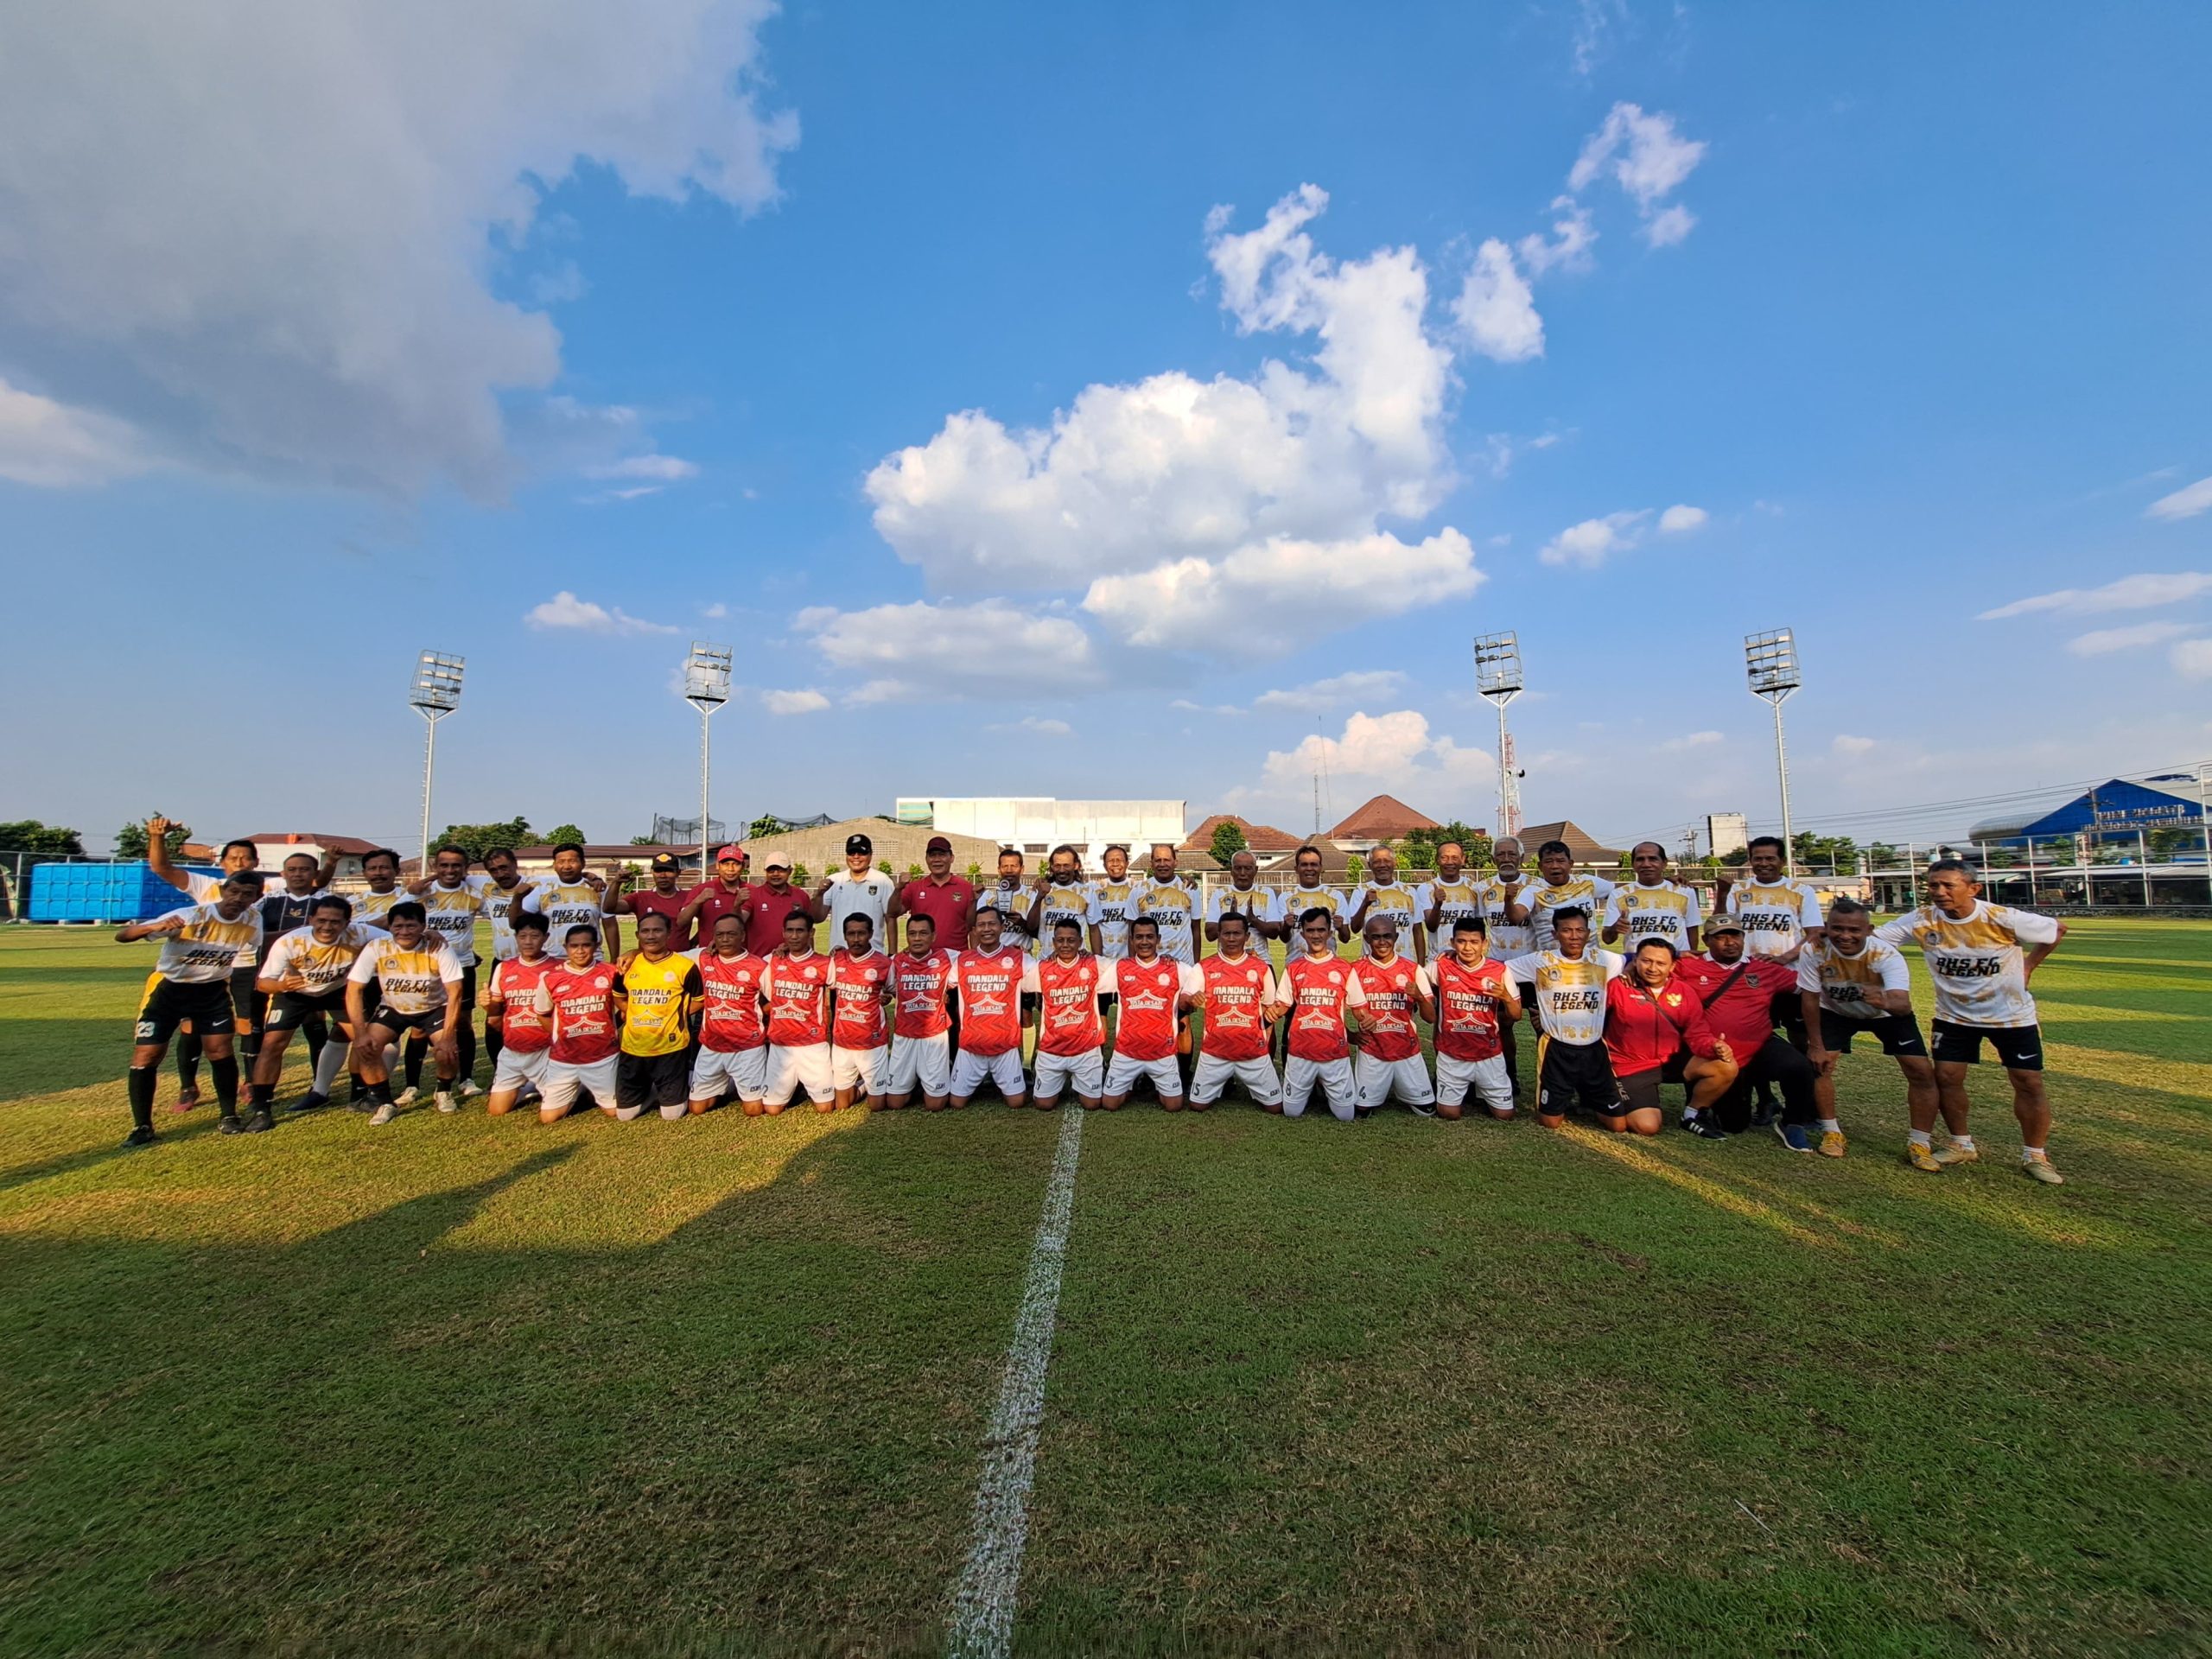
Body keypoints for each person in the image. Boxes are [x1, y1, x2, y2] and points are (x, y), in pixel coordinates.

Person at [1873, 861, 2067, 1183]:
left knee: (2028, 1082)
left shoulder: (2000, 917)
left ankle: (2035, 1155)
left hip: (2011, 1017)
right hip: (1954, 1016)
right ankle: (1961, 1144)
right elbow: (1875, 940)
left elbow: (2056, 930)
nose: (1939, 892)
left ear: (1973, 888)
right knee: (1947, 1079)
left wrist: (2029, 965)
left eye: (1948, 885)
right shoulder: (1922, 919)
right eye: (1933, 885)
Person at [116, 871, 265, 1145]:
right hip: (170, 990)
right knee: (147, 1055)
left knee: (220, 1050)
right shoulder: (190, 916)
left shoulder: (253, 919)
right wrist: (154, 927)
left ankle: (229, 1116)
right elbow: (122, 936)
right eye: (234, 891)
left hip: (212, 993)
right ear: (223, 891)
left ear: (257, 897)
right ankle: (142, 1127)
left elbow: (257, 947)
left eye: (247, 894)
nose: (238, 898)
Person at [145, 823, 277, 1109]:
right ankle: (188, 1086)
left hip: (244, 965)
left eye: (246, 858)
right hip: (203, 969)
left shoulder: (269, 888)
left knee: (249, 1023)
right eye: (233, 858)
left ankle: (250, 1082)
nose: (239, 863)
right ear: (222, 863)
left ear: (256, 862)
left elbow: (310, 884)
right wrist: (157, 837)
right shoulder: (206, 885)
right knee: (191, 1025)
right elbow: (162, 868)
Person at [1799, 897, 1931, 1160]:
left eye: (1854, 930)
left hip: (1885, 1014)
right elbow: (1810, 998)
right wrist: (1815, 1045)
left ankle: (1920, 1143)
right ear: (1827, 927)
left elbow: (1902, 1005)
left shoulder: (1885, 954)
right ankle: (1831, 1132)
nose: (1845, 936)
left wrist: (1884, 1001)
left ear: (1869, 931)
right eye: (1837, 928)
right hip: (1836, 1011)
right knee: (1820, 1066)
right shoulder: (1814, 949)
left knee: (1921, 1072)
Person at [1672, 918, 1814, 1141]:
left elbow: (1810, 986)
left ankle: (1792, 1123)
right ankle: (1733, 1098)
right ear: (1706, 940)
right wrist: (1674, 954)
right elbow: (1647, 967)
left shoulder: (1764, 969)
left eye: (1735, 935)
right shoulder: (1686, 966)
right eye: (1720, 937)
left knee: (1798, 1066)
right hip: (1713, 1053)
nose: (1730, 942)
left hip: (1758, 1044)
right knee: (1734, 1124)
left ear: (1743, 937)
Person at [1719, 834, 1826, 1118]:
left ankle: (1804, 1104)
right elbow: (1722, 926)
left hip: (1792, 978)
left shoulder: (1800, 890)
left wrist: (1785, 957)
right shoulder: (1739, 890)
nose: (1764, 863)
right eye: (1758, 858)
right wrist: (1721, 893)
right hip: (1749, 979)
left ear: (1782, 861)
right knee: (1752, 1041)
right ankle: (1766, 1099)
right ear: (1750, 860)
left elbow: (1815, 933)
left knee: (1800, 1042)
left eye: (1770, 858)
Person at [250, 894, 381, 1123]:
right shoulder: (290, 942)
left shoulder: (361, 933)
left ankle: (361, 1095)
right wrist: (281, 985)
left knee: (364, 1041)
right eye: (321, 920)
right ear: (310, 919)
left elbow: (399, 938)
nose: (327, 927)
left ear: (347, 923)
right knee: (272, 1045)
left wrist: (429, 935)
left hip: (337, 992)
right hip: (294, 994)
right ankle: (261, 1109)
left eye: (335, 922)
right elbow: (262, 983)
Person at [344, 900, 464, 1124]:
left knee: (446, 1052)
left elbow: (455, 992)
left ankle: (443, 1090)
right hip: (394, 1008)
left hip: (434, 1008)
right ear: (389, 927)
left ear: (423, 926)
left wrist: (448, 1037)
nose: (404, 932)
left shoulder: (438, 947)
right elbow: (353, 990)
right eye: (398, 926)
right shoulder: (377, 947)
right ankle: (384, 1102)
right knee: (367, 1047)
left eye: (411, 926)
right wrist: (360, 1033)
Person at [1603, 940, 1737, 1137]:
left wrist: (1714, 1046)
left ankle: (1692, 1114)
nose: (1653, 968)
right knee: (1647, 1126)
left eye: (1661, 963)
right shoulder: (1618, 986)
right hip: (1631, 1065)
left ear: (1672, 966)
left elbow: (1697, 1033)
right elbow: (1594, 1022)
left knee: (1726, 1066)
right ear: (1635, 961)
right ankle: (1601, 1097)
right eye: (1646, 961)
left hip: (1671, 1060)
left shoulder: (1684, 991)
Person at [1507, 907, 1624, 1129]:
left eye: (1580, 930)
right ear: (1555, 934)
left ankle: (1588, 1096)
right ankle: (1564, 1096)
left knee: (1617, 1125)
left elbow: (1636, 960)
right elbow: (1500, 970)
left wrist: (1680, 955)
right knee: (1550, 1122)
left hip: (1594, 1048)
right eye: (1567, 930)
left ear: (1588, 933)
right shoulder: (1541, 961)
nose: (1574, 936)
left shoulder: (1603, 960)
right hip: (1556, 1048)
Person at [411, 843, 490, 1098]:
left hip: (462, 966)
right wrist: (426, 932)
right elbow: (397, 922)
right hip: (424, 968)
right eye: (444, 865)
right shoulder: (420, 893)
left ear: (465, 868)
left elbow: (499, 917)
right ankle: (412, 1085)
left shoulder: (474, 894)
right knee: (419, 1025)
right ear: (435, 867)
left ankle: (466, 1079)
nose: (450, 870)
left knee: (463, 1022)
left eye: (456, 865)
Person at [1101, 917, 1201, 1110]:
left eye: (1149, 937)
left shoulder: (1175, 967)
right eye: (1139, 937)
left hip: (1162, 1053)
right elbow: (1093, 979)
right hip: (1126, 1052)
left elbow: (1203, 975)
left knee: (1174, 1106)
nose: (1144, 942)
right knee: (1110, 1104)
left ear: (1158, 939)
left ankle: (1157, 1084)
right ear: (1131, 940)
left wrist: (1245, 958)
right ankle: (1130, 1085)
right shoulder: (1120, 967)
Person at [1187, 912, 1285, 1110]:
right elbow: (1185, 999)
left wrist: (1263, 1039)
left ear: (1247, 936)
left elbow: (1269, 1009)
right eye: (1226, 934)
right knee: (1197, 1106)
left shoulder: (1261, 968)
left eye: (1237, 933)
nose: (1231, 938)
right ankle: (1219, 1083)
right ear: (1219, 935)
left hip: (1253, 1053)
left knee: (1275, 1108)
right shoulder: (1204, 967)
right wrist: (1190, 999)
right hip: (1214, 1053)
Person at [1276, 906, 1365, 1122]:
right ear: (1302, 934)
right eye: (1310, 930)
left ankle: (1323, 1084)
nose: (1316, 935)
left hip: (1334, 1053)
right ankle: (1311, 1084)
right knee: (1291, 1112)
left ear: (1330, 933)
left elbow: (1358, 1007)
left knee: (1345, 1115)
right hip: (1300, 1052)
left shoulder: (1344, 969)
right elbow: (1281, 1006)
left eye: (1321, 930)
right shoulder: (1293, 968)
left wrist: (1366, 1019)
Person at [612, 912, 702, 1122]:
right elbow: (619, 997)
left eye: (657, 930)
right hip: (633, 1048)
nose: (651, 936)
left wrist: (674, 1014)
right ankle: (651, 1090)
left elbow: (700, 1000)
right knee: (625, 1116)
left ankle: (674, 1086)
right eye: (645, 931)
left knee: (672, 1115)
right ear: (637, 935)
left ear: (669, 933)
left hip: (671, 1049)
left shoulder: (684, 966)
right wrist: (634, 1012)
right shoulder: (626, 966)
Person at [1430, 916, 1522, 1121]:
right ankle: (1461, 1088)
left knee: (1505, 1115)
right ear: (1452, 942)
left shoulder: (1500, 970)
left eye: (1474, 942)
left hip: (1488, 1053)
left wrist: (1506, 997)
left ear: (1484, 943)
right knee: (1449, 1114)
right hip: (1452, 1053)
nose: (1467, 948)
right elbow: (1415, 978)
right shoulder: (1441, 966)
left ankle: (1481, 1089)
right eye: (1461, 941)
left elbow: (1517, 1015)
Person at [1349, 912, 1435, 1113]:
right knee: (1362, 1111)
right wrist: (1352, 1035)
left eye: (1387, 936)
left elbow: (1430, 1018)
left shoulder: (1413, 969)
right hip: (1372, 1049)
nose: (1382, 942)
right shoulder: (1355, 970)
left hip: (1407, 1049)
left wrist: (1420, 997)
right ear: (1367, 939)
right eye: (1376, 937)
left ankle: (1407, 1087)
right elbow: (1333, 1009)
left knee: (1427, 1110)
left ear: (1396, 937)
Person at [686, 912, 772, 1116]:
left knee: (754, 1110)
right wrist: (633, 953)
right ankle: (726, 1080)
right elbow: (669, 957)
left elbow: (777, 1000)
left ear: (743, 936)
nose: (725, 939)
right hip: (712, 1045)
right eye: (720, 934)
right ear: (713, 937)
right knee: (697, 1109)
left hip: (747, 1048)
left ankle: (740, 1077)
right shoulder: (703, 957)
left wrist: (758, 1013)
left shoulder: (758, 966)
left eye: (731, 934)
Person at [536, 925, 623, 1124]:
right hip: (564, 1059)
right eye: (574, 946)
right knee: (549, 1118)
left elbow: (624, 1009)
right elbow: (542, 1014)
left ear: (596, 946)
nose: (580, 951)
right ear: (565, 947)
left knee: (615, 1112)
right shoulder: (550, 978)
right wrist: (562, 1036)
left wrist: (610, 1030)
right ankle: (580, 1088)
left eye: (586, 945)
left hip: (602, 1056)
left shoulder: (610, 972)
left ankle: (590, 1088)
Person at [1023, 918, 1109, 1109]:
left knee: (1092, 1104)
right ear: (1053, 942)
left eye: (1071, 940)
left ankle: (1082, 1078)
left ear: (1080, 942)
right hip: (1052, 1050)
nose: (1065, 945)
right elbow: (1017, 981)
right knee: (1044, 1104)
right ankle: (1059, 1079)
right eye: (1060, 940)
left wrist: (1162, 961)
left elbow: (1125, 968)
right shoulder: (1042, 968)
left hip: (1086, 1049)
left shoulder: (1094, 964)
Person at [950, 906, 1029, 1108]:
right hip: (971, 1046)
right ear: (974, 930)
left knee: (1017, 1102)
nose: (987, 929)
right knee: (956, 1103)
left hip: (1005, 1045)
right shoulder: (962, 960)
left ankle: (1000, 1075)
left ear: (1002, 927)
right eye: (981, 925)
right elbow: (939, 981)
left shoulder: (1019, 958)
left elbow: (1047, 972)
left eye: (992, 924)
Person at [483, 912, 558, 1117]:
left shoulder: (557, 968)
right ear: (516, 937)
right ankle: (530, 1085)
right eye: (522, 936)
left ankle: (574, 1083)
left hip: (546, 1051)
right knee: (497, 1111)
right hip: (513, 1050)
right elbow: (496, 1013)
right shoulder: (504, 968)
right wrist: (487, 1004)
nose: (528, 942)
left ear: (546, 937)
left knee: (553, 1113)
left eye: (534, 936)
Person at [763, 908, 836, 1114]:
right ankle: (795, 1086)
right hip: (781, 1045)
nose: (794, 936)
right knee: (772, 1110)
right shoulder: (772, 960)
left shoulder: (824, 963)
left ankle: (859, 1084)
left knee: (825, 1108)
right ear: (783, 933)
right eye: (790, 931)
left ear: (811, 933)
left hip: (812, 1044)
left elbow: (845, 984)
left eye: (800, 931)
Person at [886, 912, 957, 1110]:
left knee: (935, 1105)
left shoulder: (949, 957)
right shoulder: (896, 961)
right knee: (895, 1103)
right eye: (912, 933)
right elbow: (889, 988)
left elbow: (975, 960)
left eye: (923, 933)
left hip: (935, 1035)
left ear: (933, 936)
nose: (917, 938)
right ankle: (912, 1079)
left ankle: (938, 1072)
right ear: (907, 936)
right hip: (904, 1035)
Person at [829, 912, 893, 1110]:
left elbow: (895, 991)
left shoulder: (884, 963)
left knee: (877, 1106)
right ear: (844, 935)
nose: (856, 939)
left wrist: (886, 996)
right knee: (842, 1105)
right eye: (851, 934)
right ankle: (863, 1083)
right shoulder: (836, 960)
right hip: (842, 1042)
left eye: (861, 933)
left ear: (871, 934)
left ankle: (871, 1082)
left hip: (872, 1042)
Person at [520, 843, 620, 961]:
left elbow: (610, 925)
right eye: (561, 862)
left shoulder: (598, 888)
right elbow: (522, 921)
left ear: (583, 863)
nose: (567, 866)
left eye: (572, 861)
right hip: (552, 960)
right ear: (554, 865)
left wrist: (614, 959)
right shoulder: (543, 888)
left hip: (590, 959)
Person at [1603, 842, 1703, 953]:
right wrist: (1614, 928)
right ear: (1633, 864)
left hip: (1677, 960)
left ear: (1664, 863)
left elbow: (1692, 928)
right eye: (1640, 859)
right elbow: (1607, 940)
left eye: (1653, 859)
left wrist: (1692, 959)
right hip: (1638, 961)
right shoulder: (1619, 895)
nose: (1646, 864)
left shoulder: (1685, 892)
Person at [1523, 840, 1616, 955]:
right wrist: (1509, 900)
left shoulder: (1587, 882)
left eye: (1560, 861)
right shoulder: (1533, 890)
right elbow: (1516, 916)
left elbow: (1620, 896)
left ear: (1570, 864)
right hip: (1551, 960)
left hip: (1590, 959)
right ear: (1540, 866)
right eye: (1549, 861)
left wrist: (1612, 921)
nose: (1555, 866)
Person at [890, 836, 976, 955]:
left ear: (952, 858)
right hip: (923, 958)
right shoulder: (914, 888)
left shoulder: (966, 888)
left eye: (942, 855)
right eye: (932, 855)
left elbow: (972, 927)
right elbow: (893, 913)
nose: (937, 860)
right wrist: (898, 889)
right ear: (926, 859)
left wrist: (974, 956)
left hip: (955, 957)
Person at [819, 833, 897, 953]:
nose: (856, 857)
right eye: (851, 853)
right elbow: (818, 917)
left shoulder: (882, 881)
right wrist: (819, 895)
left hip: (872, 956)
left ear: (870, 854)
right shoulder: (834, 880)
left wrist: (892, 953)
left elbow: (890, 919)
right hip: (839, 954)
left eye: (861, 853)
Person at [1348, 846, 1425, 963]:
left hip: (1405, 963)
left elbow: (1417, 929)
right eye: (1377, 862)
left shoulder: (1409, 891)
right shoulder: (1361, 891)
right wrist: (1365, 904)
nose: (1382, 865)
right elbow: (1355, 928)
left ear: (1394, 863)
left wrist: (1421, 964)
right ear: (1370, 865)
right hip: (1373, 964)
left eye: (1387, 861)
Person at [607, 852, 696, 948]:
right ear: (652, 872)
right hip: (647, 957)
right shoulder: (640, 898)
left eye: (669, 870)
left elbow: (707, 923)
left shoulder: (689, 898)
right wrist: (616, 883)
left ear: (678, 872)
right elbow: (610, 908)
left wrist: (692, 943)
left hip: (681, 956)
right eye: (658, 870)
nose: (663, 875)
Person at [1132, 843, 1201, 963]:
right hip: (1150, 965)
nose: (1162, 864)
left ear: (1175, 862)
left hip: (1183, 964)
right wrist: (1133, 965)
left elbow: (1196, 930)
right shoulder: (1139, 890)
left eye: (1167, 860)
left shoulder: (1189, 888)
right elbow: (1131, 933)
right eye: (1158, 860)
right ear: (1151, 864)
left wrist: (1196, 965)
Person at [1028, 844, 1101, 957]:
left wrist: (1098, 960)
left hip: (1077, 959)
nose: (1062, 870)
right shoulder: (1041, 889)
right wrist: (1039, 898)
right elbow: (1031, 927)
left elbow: (1094, 929)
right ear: (1052, 866)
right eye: (1057, 865)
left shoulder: (1087, 892)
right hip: (1047, 959)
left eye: (1066, 865)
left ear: (1076, 865)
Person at [1420, 842, 1485, 963]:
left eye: (1455, 858)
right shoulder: (1426, 888)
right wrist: (1437, 905)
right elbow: (1431, 927)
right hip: (1438, 959)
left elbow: (1479, 927)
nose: (1450, 862)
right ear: (1437, 860)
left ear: (1463, 860)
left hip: (1467, 958)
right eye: (1444, 857)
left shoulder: (1474, 888)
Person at [1206, 851, 1279, 959]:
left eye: (1248, 868)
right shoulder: (1220, 894)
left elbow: (1274, 932)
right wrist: (1229, 920)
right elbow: (1210, 935)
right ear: (1231, 871)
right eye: (1238, 868)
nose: (1242, 873)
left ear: (1256, 870)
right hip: (1228, 961)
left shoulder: (1266, 893)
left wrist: (1253, 920)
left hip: (1260, 960)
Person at [677, 845, 753, 948]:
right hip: (709, 953)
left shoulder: (752, 891)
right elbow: (681, 922)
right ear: (717, 865)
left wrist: (737, 905)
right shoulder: (701, 890)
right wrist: (697, 901)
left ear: (743, 866)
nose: (731, 869)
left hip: (741, 953)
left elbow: (739, 923)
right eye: (726, 864)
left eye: (736, 864)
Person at [743, 855, 813, 959]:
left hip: (794, 961)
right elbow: (739, 921)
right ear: (765, 871)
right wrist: (737, 905)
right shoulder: (753, 895)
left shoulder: (801, 895)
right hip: (760, 961)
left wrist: (810, 957)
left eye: (781, 870)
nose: (775, 874)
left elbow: (808, 929)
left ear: (790, 871)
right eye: (771, 870)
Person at [1286, 844, 1351, 943]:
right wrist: (1286, 927)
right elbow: (1284, 938)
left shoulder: (1336, 896)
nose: (1309, 868)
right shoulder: (1286, 897)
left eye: (1314, 864)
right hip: (1297, 954)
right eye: (1304, 864)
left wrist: (1341, 928)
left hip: (1327, 953)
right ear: (1296, 869)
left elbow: (1345, 938)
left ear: (1321, 868)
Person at [1087, 843, 1138, 959]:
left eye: (1119, 860)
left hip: (1129, 959)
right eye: (1111, 861)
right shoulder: (1094, 889)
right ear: (1105, 865)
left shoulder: (1137, 888)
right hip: (1105, 959)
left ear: (1127, 863)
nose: (1115, 864)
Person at [984, 848, 1034, 955]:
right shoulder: (988, 895)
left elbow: (1038, 931)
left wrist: (1022, 923)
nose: (1009, 870)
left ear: (1022, 869)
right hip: (994, 956)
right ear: (999, 870)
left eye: (1014, 866)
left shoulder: (1031, 896)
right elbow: (975, 929)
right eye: (1005, 866)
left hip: (1021, 956)